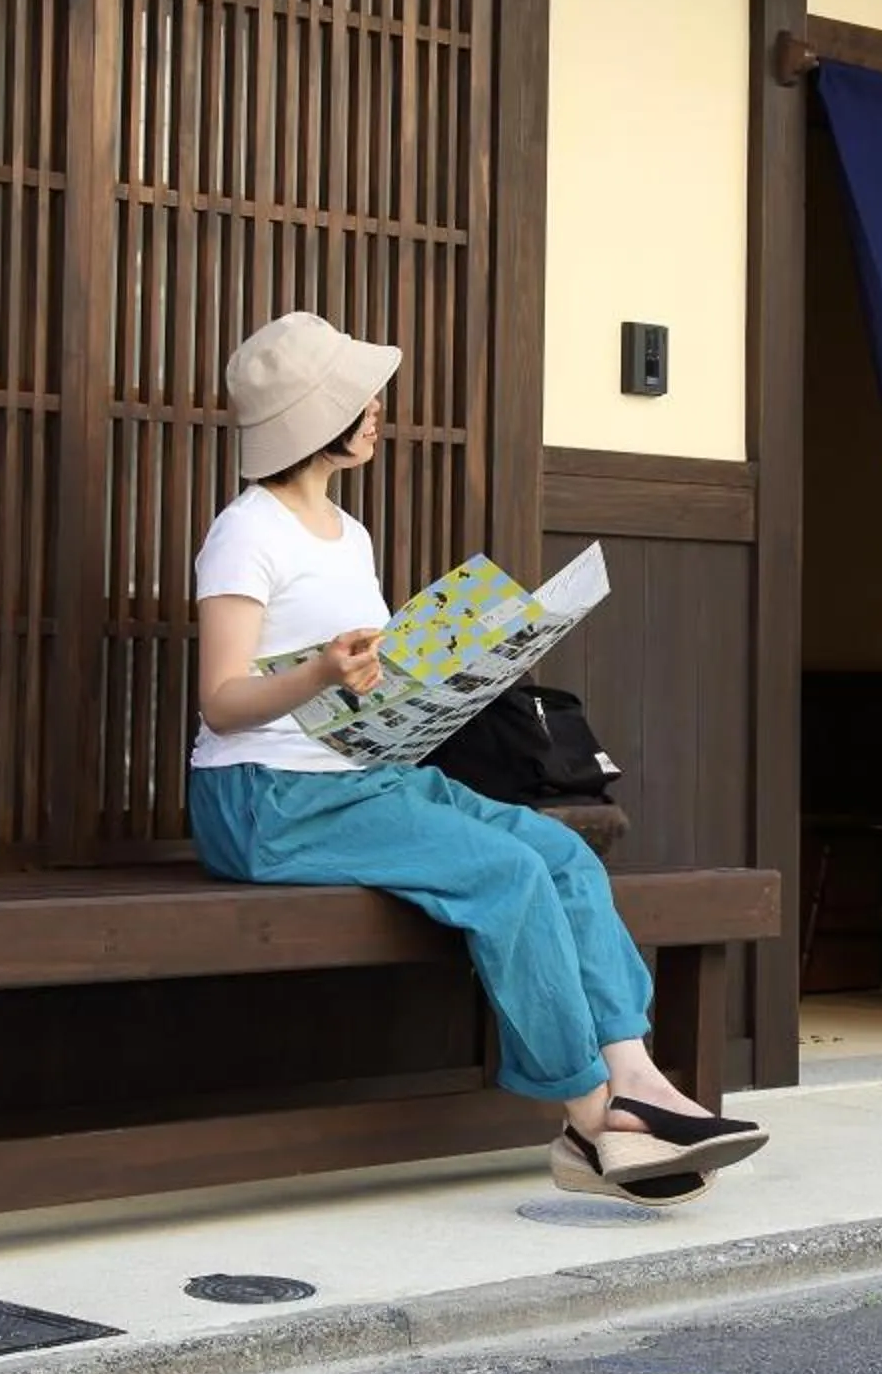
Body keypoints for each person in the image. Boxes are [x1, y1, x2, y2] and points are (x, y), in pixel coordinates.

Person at [189, 311, 768, 1204]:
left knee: (565, 855)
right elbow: (222, 701)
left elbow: (356, 685)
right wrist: (321, 671)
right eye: (359, 398)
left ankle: (640, 1080)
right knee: (507, 875)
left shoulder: (350, 534)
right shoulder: (245, 532)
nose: (378, 411)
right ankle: (587, 1121)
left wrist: (422, 683)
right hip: (266, 800)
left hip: (362, 779)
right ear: (314, 419)